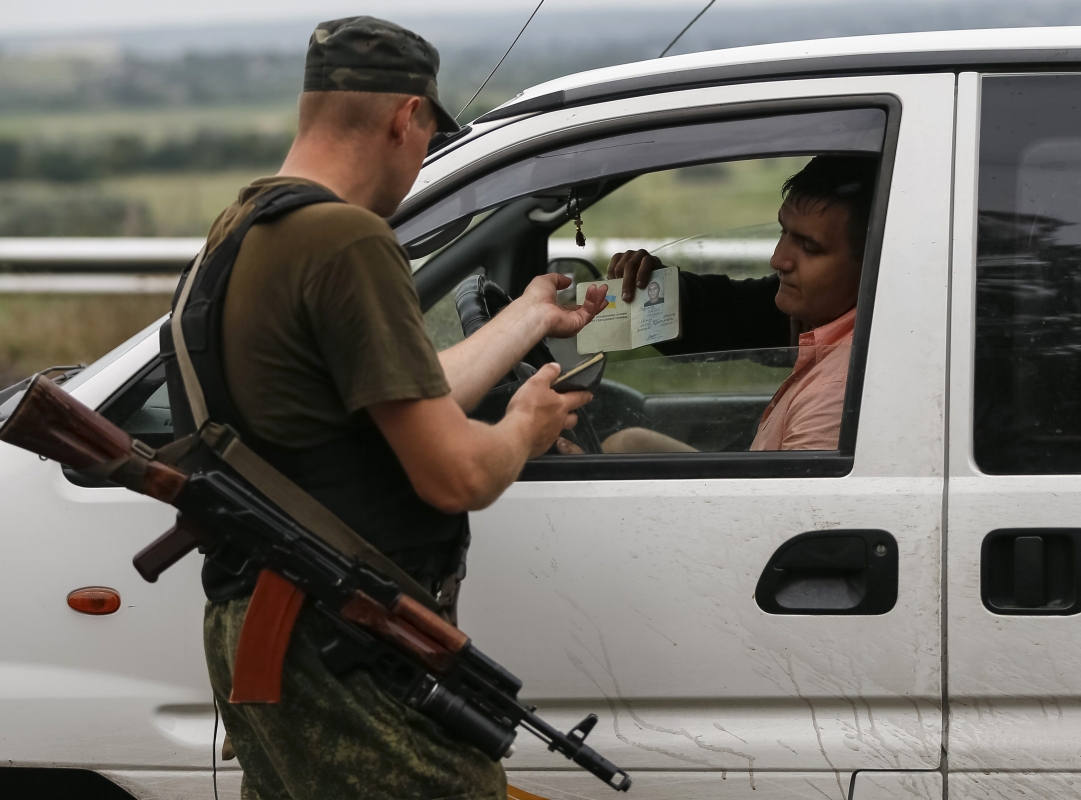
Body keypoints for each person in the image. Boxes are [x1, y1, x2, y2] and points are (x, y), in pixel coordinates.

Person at [195, 17, 609, 800]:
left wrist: (526, 318)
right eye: (427, 137)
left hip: (275, 631)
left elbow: (399, 399)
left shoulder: (246, 228)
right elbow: (453, 476)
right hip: (339, 642)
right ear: (404, 117)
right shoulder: (347, 241)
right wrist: (526, 424)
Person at [558, 155, 875, 454]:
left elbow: (781, 509)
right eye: (784, 232)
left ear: (873, 263)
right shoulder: (822, 313)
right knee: (628, 444)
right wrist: (659, 288)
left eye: (808, 246)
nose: (777, 259)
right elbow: (735, 312)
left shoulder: (835, 393)